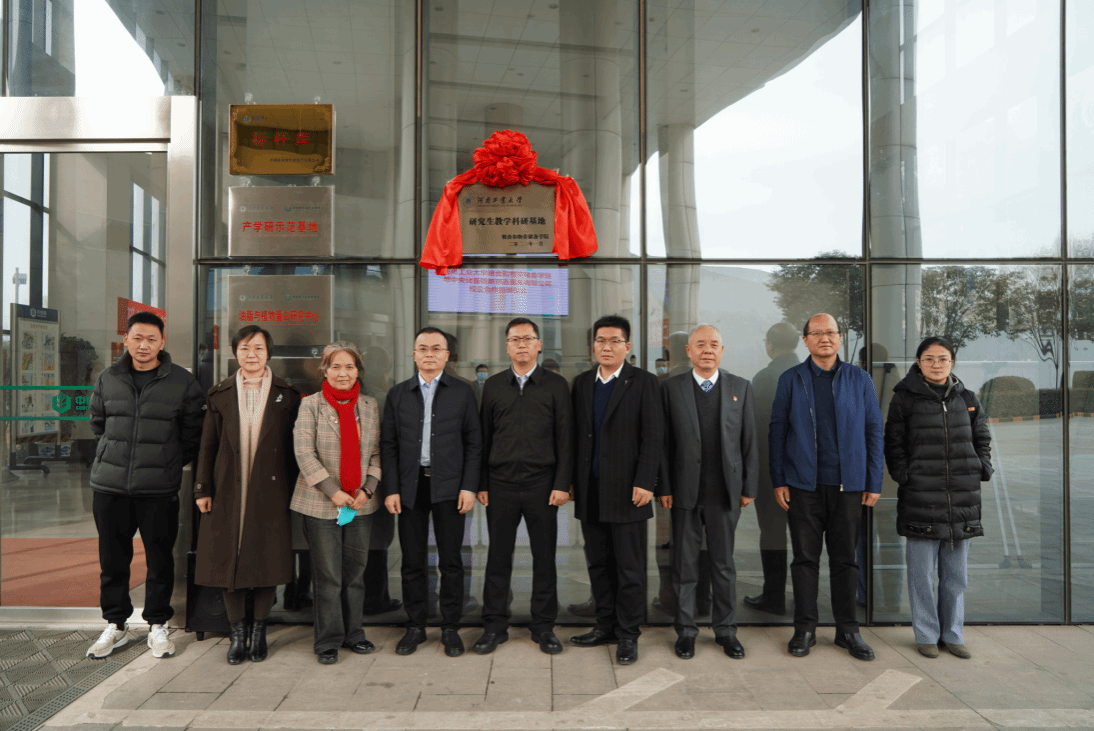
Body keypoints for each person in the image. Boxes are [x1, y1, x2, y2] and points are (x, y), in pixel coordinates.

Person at [85, 312, 206, 660]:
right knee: (112, 561)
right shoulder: (108, 378)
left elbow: (192, 434)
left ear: (162, 342)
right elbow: (97, 424)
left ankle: (157, 624)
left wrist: (167, 462)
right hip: (110, 487)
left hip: (158, 489)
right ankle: (116, 624)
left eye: (151, 339)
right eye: (137, 338)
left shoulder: (182, 381)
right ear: (126, 339)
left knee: (160, 560)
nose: (143, 345)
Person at [769, 313, 883, 661]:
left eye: (831, 332)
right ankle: (804, 629)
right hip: (803, 486)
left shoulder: (859, 379)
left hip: (849, 486)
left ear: (840, 338)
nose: (825, 338)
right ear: (805, 340)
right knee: (805, 560)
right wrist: (778, 479)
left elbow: (874, 431)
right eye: (817, 333)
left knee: (846, 561)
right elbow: (777, 431)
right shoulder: (791, 379)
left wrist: (873, 480)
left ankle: (848, 630)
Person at [194, 325, 302, 664]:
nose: (251, 354)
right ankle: (237, 633)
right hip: (228, 488)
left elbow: (294, 449)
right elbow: (207, 446)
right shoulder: (219, 393)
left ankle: (259, 631)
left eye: (257, 348)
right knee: (230, 556)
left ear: (268, 352)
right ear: (235, 353)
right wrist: (202, 488)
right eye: (244, 348)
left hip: (272, 489)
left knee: (267, 557)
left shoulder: (288, 394)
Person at [884, 336, 991, 659]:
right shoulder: (904, 399)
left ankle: (953, 634)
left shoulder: (967, 398)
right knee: (922, 575)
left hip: (962, 499)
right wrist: (905, 475)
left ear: (952, 362)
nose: (936, 364)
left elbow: (982, 436)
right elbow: (893, 443)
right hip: (921, 498)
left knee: (956, 577)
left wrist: (982, 467)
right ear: (919, 363)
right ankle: (927, 635)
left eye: (943, 359)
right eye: (929, 359)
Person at [473, 318, 573, 656]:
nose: (522, 344)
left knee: (545, 558)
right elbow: (484, 438)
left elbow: (566, 438)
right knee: (498, 558)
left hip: (542, 485)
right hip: (500, 484)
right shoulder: (493, 386)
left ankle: (544, 627)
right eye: (515, 339)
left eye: (528, 338)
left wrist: (562, 483)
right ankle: (494, 626)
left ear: (539, 345)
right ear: (507, 346)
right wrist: (482, 483)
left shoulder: (556, 385)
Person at [659, 325, 758, 660]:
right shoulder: (670, 388)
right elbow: (663, 444)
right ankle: (686, 632)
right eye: (700, 344)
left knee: (723, 566)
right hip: (684, 493)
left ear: (722, 350)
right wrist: (664, 486)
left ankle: (726, 631)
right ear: (688, 351)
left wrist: (749, 486)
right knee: (684, 566)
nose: (707, 350)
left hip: (725, 493)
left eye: (714, 344)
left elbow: (749, 440)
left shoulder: (740, 387)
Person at [381, 327, 481, 657]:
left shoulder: (463, 392)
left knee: (451, 560)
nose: (429, 354)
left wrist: (469, 486)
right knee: (412, 561)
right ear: (414, 354)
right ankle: (416, 625)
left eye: (436, 348)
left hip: (450, 486)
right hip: (410, 487)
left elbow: (474, 443)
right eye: (422, 348)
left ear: (446, 355)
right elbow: (389, 445)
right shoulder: (398, 394)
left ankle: (450, 627)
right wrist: (392, 489)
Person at [570, 315, 663, 665]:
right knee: (598, 564)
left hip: (629, 492)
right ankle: (605, 626)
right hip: (590, 490)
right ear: (593, 345)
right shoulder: (582, 383)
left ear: (627, 346)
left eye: (614, 341)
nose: (606, 347)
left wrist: (646, 481)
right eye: (600, 340)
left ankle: (628, 634)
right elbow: (575, 435)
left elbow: (653, 436)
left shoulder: (644, 382)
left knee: (629, 568)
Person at [290, 341, 382, 665]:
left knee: (355, 574)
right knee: (328, 576)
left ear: (358, 371)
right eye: (336, 366)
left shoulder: (369, 406)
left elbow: (377, 453)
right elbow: (304, 452)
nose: (343, 373)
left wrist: (367, 489)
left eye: (349, 367)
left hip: (359, 503)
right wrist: (333, 491)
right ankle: (328, 640)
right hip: (322, 502)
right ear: (325, 371)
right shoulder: (310, 405)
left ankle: (354, 634)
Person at [743, 322, 800, 615]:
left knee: (773, 534)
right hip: (806, 473)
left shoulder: (766, 377)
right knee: (804, 538)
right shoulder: (809, 374)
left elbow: (757, 431)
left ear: (770, 345)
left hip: (772, 474)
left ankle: (774, 596)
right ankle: (804, 598)